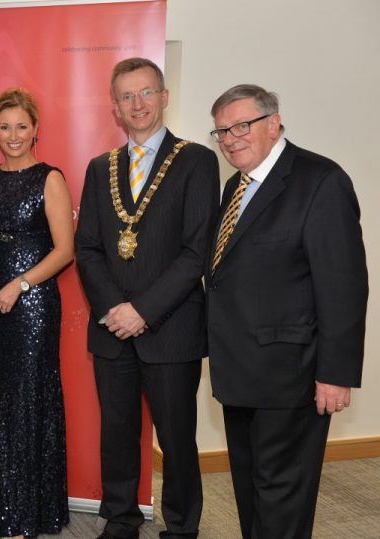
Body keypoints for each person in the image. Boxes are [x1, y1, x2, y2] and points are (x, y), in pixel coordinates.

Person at [206, 84, 368, 539]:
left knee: (282, 497)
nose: (230, 138)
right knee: (251, 491)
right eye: (221, 131)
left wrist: (335, 373)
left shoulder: (320, 181)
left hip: (291, 377)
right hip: (239, 374)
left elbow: (343, 285)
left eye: (241, 125)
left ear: (273, 123)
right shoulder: (236, 188)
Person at [75, 57, 220, 539]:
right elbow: (89, 248)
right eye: (126, 96)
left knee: (177, 439)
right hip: (111, 330)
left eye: (145, 93)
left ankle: (180, 527)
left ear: (163, 97)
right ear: (115, 107)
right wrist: (115, 310)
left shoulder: (197, 160)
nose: (137, 104)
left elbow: (195, 250)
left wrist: (143, 311)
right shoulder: (100, 168)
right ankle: (120, 519)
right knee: (116, 436)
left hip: (171, 327)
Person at [0, 88, 75, 538]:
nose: (13, 135)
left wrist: (20, 284)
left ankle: (29, 508)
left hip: (32, 308)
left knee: (28, 398)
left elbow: (65, 250)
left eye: (21, 126)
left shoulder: (50, 178)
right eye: (5, 126)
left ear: (35, 131)